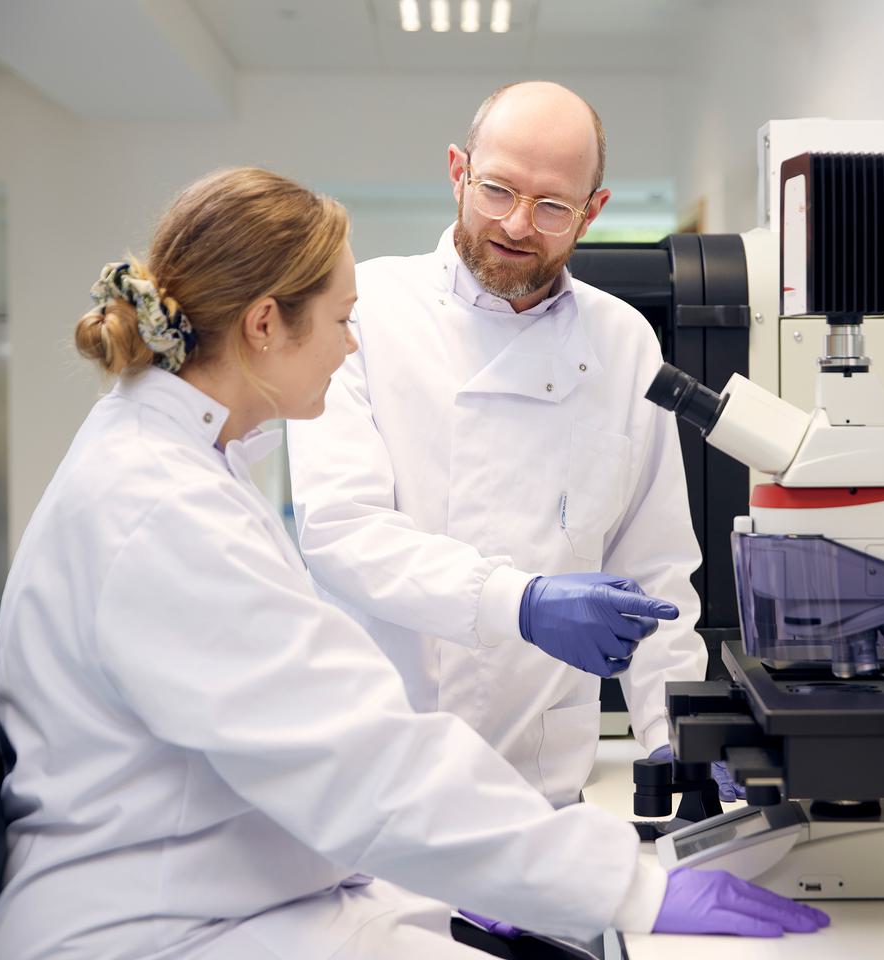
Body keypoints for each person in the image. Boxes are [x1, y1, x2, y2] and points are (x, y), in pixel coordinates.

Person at [0, 167, 825, 959]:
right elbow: (358, 761)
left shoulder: (180, 458)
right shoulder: (164, 507)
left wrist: (495, 866)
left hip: (240, 879)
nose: (353, 346)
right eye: (343, 320)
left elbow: (323, 748)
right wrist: (623, 890)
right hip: (157, 924)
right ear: (266, 324)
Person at [287, 80, 737, 808]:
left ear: (594, 212)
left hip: (541, 781)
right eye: (497, 190)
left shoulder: (622, 341)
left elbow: (653, 573)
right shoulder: (364, 314)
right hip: (376, 772)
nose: (519, 225)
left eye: (554, 206)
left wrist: (675, 737)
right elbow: (342, 531)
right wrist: (520, 602)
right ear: (458, 172)